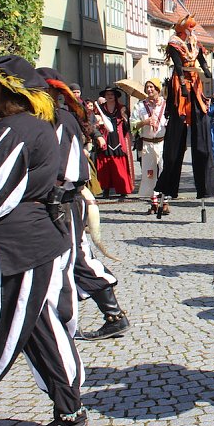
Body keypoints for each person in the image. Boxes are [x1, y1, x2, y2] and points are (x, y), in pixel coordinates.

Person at [0, 55, 88, 426]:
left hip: (12, 249)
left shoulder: (17, 129)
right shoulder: (24, 127)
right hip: (28, 245)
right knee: (40, 332)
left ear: (6, 91)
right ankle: (70, 413)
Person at [39, 69, 129, 342]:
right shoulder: (48, 119)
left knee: (79, 259)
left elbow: (68, 166)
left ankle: (113, 316)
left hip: (64, 201)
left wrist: (56, 195)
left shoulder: (61, 119)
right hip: (58, 201)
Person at [156, 14, 214, 201]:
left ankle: (205, 188)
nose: (192, 30)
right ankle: (169, 186)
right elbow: (178, 66)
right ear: (182, 29)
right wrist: (182, 85)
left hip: (195, 83)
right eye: (190, 28)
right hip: (180, 84)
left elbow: (200, 57)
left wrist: (206, 70)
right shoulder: (174, 43)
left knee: (201, 136)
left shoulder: (193, 41)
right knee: (176, 135)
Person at [130, 78, 168, 215]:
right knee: (150, 173)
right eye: (147, 87)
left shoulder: (165, 104)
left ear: (158, 89)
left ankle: (165, 202)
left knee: (165, 171)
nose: (149, 89)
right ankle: (154, 202)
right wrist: (144, 122)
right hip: (147, 143)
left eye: (152, 87)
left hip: (163, 142)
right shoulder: (140, 106)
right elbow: (132, 125)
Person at [96, 85, 134, 197]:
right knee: (105, 163)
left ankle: (123, 189)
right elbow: (94, 122)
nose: (110, 96)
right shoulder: (100, 108)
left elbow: (128, 126)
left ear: (115, 96)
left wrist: (125, 119)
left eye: (112, 94)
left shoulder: (122, 108)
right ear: (104, 96)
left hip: (119, 137)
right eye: (107, 95)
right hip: (106, 137)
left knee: (120, 163)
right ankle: (105, 188)